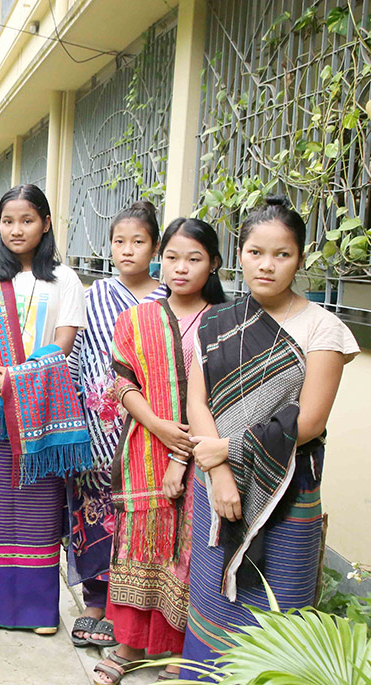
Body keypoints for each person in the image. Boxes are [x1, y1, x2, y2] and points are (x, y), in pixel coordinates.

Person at [181, 198, 358, 679]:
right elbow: (198, 405)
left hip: (287, 489)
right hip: (214, 487)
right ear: (239, 254)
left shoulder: (324, 328)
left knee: (280, 601)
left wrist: (227, 448)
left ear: (300, 258)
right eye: (256, 252)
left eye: (282, 254)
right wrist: (218, 472)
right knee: (212, 596)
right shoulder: (216, 324)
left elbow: (310, 422)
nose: (267, 265)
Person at [92, 217, 227, 684]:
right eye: (172, 257)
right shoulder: (135, 318)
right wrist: (158, 427)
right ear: (160, 259)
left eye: (194, 259)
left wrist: (182, 451)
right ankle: (128, 645)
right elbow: (122, 381)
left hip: (206, 452)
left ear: (213, 264)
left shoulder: (225, 323)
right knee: (139, 543)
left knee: (188, 551)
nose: (181, 268)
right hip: (144, 447)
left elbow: (223, 395)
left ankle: (179, 651)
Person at [0, 184, 90, 635]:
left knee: (37, 510)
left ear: (46, 224)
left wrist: (19, 377)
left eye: (28, 220)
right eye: (10, 221)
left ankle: (37, 613)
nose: (18, 230)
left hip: (42, 409)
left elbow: (65, 340)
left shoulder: (66, 279)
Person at [67, 201, 167, 648]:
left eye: (138, 242)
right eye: (119, 242)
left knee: (137, 517)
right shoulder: (94, 295)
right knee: (93, 513)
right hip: (94, 421)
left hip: (146, 425)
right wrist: (70, 414)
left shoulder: (168, 298)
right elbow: (76, 353)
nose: (127, 251)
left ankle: (127, 611)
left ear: (156, 247)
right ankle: (94, 601)